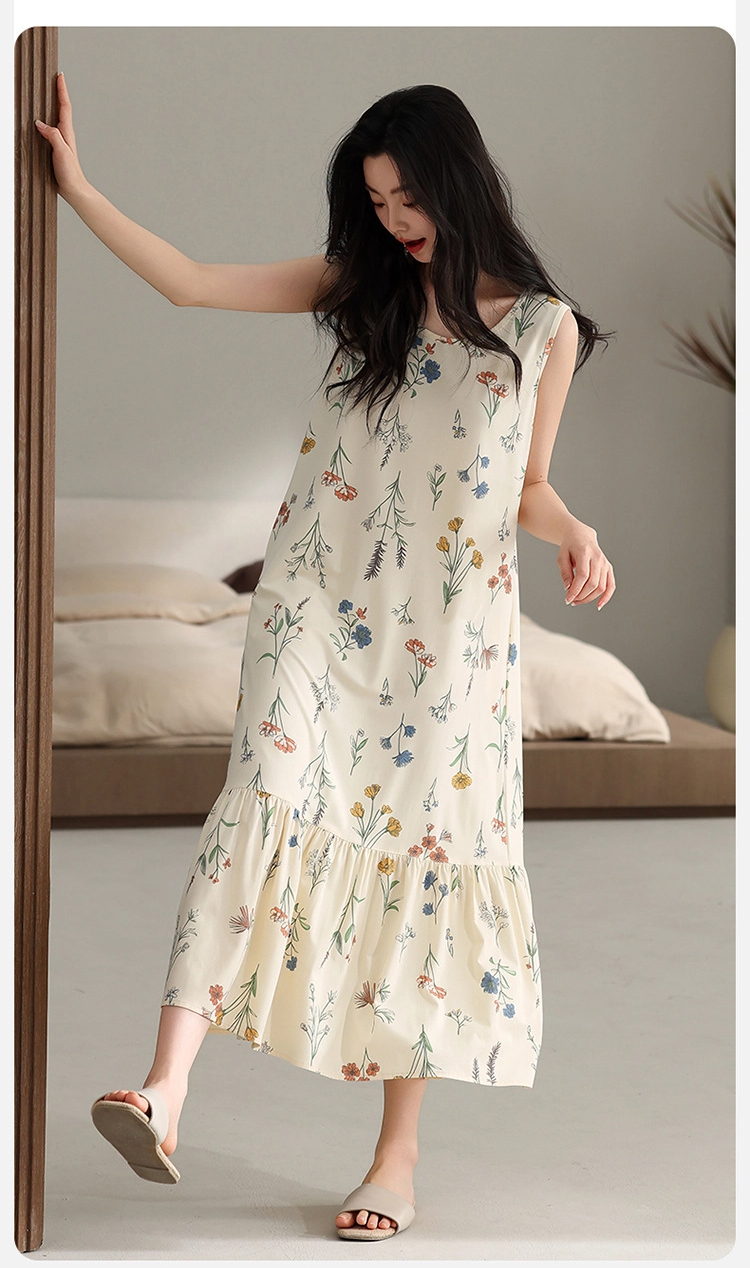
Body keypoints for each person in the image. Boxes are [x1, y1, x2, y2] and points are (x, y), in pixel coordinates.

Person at [36, 75, 616, 1242]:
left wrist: (579, 532)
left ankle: (395, 1155)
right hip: (314, 603)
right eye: (378, 200)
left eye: (408, 197)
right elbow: (191, 281)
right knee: (258, 796)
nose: (396, 220)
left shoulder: (541, 328)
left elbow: (528, 485)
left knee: (420, 860)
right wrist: (79, 189)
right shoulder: (366, 289)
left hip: (449, 642)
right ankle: (164, 1087)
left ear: (458, 180)